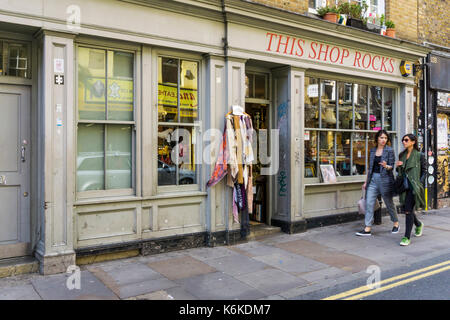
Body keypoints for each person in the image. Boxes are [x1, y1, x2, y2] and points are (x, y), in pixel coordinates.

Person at [356, 130, 399, 236]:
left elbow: (392, 166)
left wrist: (386, 166)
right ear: (377, 139)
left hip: (385, 180)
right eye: (381, 138)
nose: (383, 140)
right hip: (373, 180)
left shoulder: (389, 150)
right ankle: (367, 228)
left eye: (385, 138)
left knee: (389, 203)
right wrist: (366, 181)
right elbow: (370, 168)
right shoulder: (373, 150)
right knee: (369, 203)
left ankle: (396, 224)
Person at [395, 134, 426, 246]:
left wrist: (419, 183)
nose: (404, 141)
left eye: (406, 140)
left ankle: (406, 237)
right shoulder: (402, 155)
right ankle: (418, 224)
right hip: (404, 186)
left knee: (408, 210)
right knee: (407, 209)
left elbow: (424, 171)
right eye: (403, 140)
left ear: (413, 142)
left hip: (414, 187)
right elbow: (399, 172)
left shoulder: (419, 155)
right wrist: (397, 166)